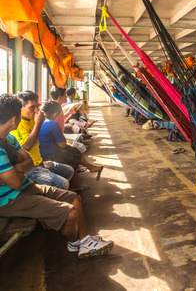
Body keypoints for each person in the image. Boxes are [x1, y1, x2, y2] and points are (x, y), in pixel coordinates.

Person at [0, 94, 113, 258]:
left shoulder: (9, 138)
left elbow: (29, 161)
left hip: (27, 186)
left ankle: (86, 241)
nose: (36, 111)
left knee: (75, 199)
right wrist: (20, 168)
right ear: (14, 119)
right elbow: (16, 182)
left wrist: (14, 167)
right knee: (70, 213)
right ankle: (75, 243)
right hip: (10, 200)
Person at [11, 91, 75, 190]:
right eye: (32, 107)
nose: (36, 110)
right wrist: (38, 124)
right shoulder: (18, 125)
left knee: (68, 170)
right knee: (62, 183)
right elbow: (27, 146)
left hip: (40, 161)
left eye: (37, 106)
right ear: (21, 109)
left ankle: (56, 194)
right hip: (31, 168)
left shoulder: (33, 120)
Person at [39, 101, 104, 188]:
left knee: (74, 150)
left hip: (46, 151)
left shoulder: (41, 122)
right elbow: (62, 144)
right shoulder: (52, 124)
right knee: (72, 156)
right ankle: (75, 184)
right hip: (50, 155)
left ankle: (90, 167)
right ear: (55, 114)